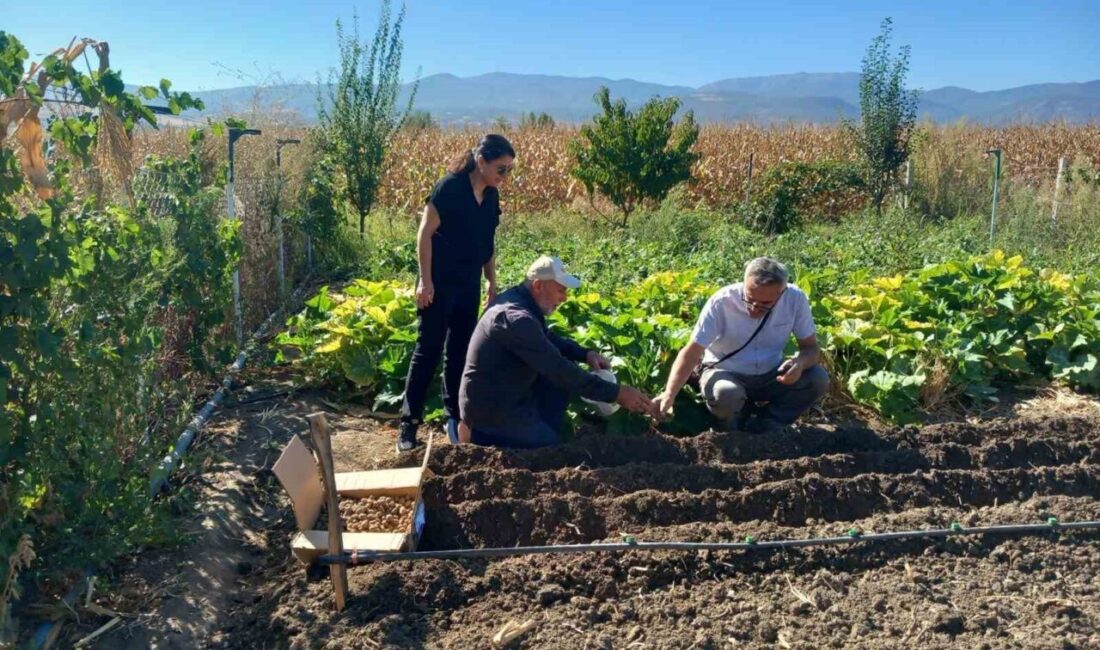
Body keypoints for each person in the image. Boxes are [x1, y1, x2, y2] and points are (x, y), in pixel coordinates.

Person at [457, 255, 660, 448]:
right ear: (538, 286)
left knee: (556, 398)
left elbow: (547, 338)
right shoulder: (515, 318)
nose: (564, 298)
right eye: (560, 290)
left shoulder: (519, 301)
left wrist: (585, 354)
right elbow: (557, 368)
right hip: (490, 410)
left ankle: (535, 430)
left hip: (507, 392)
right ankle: (477, 436)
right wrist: (616, 393)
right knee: (547, 448)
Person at [397, 134, 515, 452]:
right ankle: (409, 424)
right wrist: (425, 281)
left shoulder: (490, 197)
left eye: (509, 170)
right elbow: (425, 234)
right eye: (501, 169)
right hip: (439, 283)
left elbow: (487, 243)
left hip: (468, 284)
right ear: (481, 161)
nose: (504, 176)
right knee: (428, 350)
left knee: (460, 353)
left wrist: (491, 281)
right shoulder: (450, 188)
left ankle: (454, 419)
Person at [653, 257, 829, 433]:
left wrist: (800, 363)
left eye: (765, 304)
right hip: (726, 371)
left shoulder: (795, 299)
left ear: (782, 292)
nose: (754, 308)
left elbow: (811, 348)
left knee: (817, 378)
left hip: (772, 373)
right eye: (749, 299)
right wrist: (669, 393)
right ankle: (731, 431)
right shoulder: (722, 302)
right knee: (725, 393)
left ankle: (770, 423)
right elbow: (691, 352)